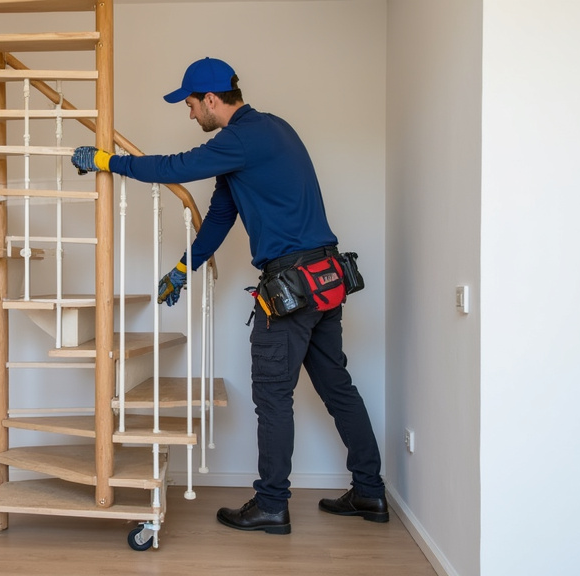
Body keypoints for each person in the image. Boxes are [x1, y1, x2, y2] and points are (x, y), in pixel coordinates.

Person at [71, 57, 387, 533]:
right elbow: (220, 216)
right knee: (337, 387)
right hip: (324, 279)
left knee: (274, 397)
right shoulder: (270, 131)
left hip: (291, 288)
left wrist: (107, 162)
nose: (190, 115)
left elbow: (174, 166)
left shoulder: (238, 139)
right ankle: (369, 492)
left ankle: (271, 505)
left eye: (191, 105)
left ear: (212, 100)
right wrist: (184, 267)